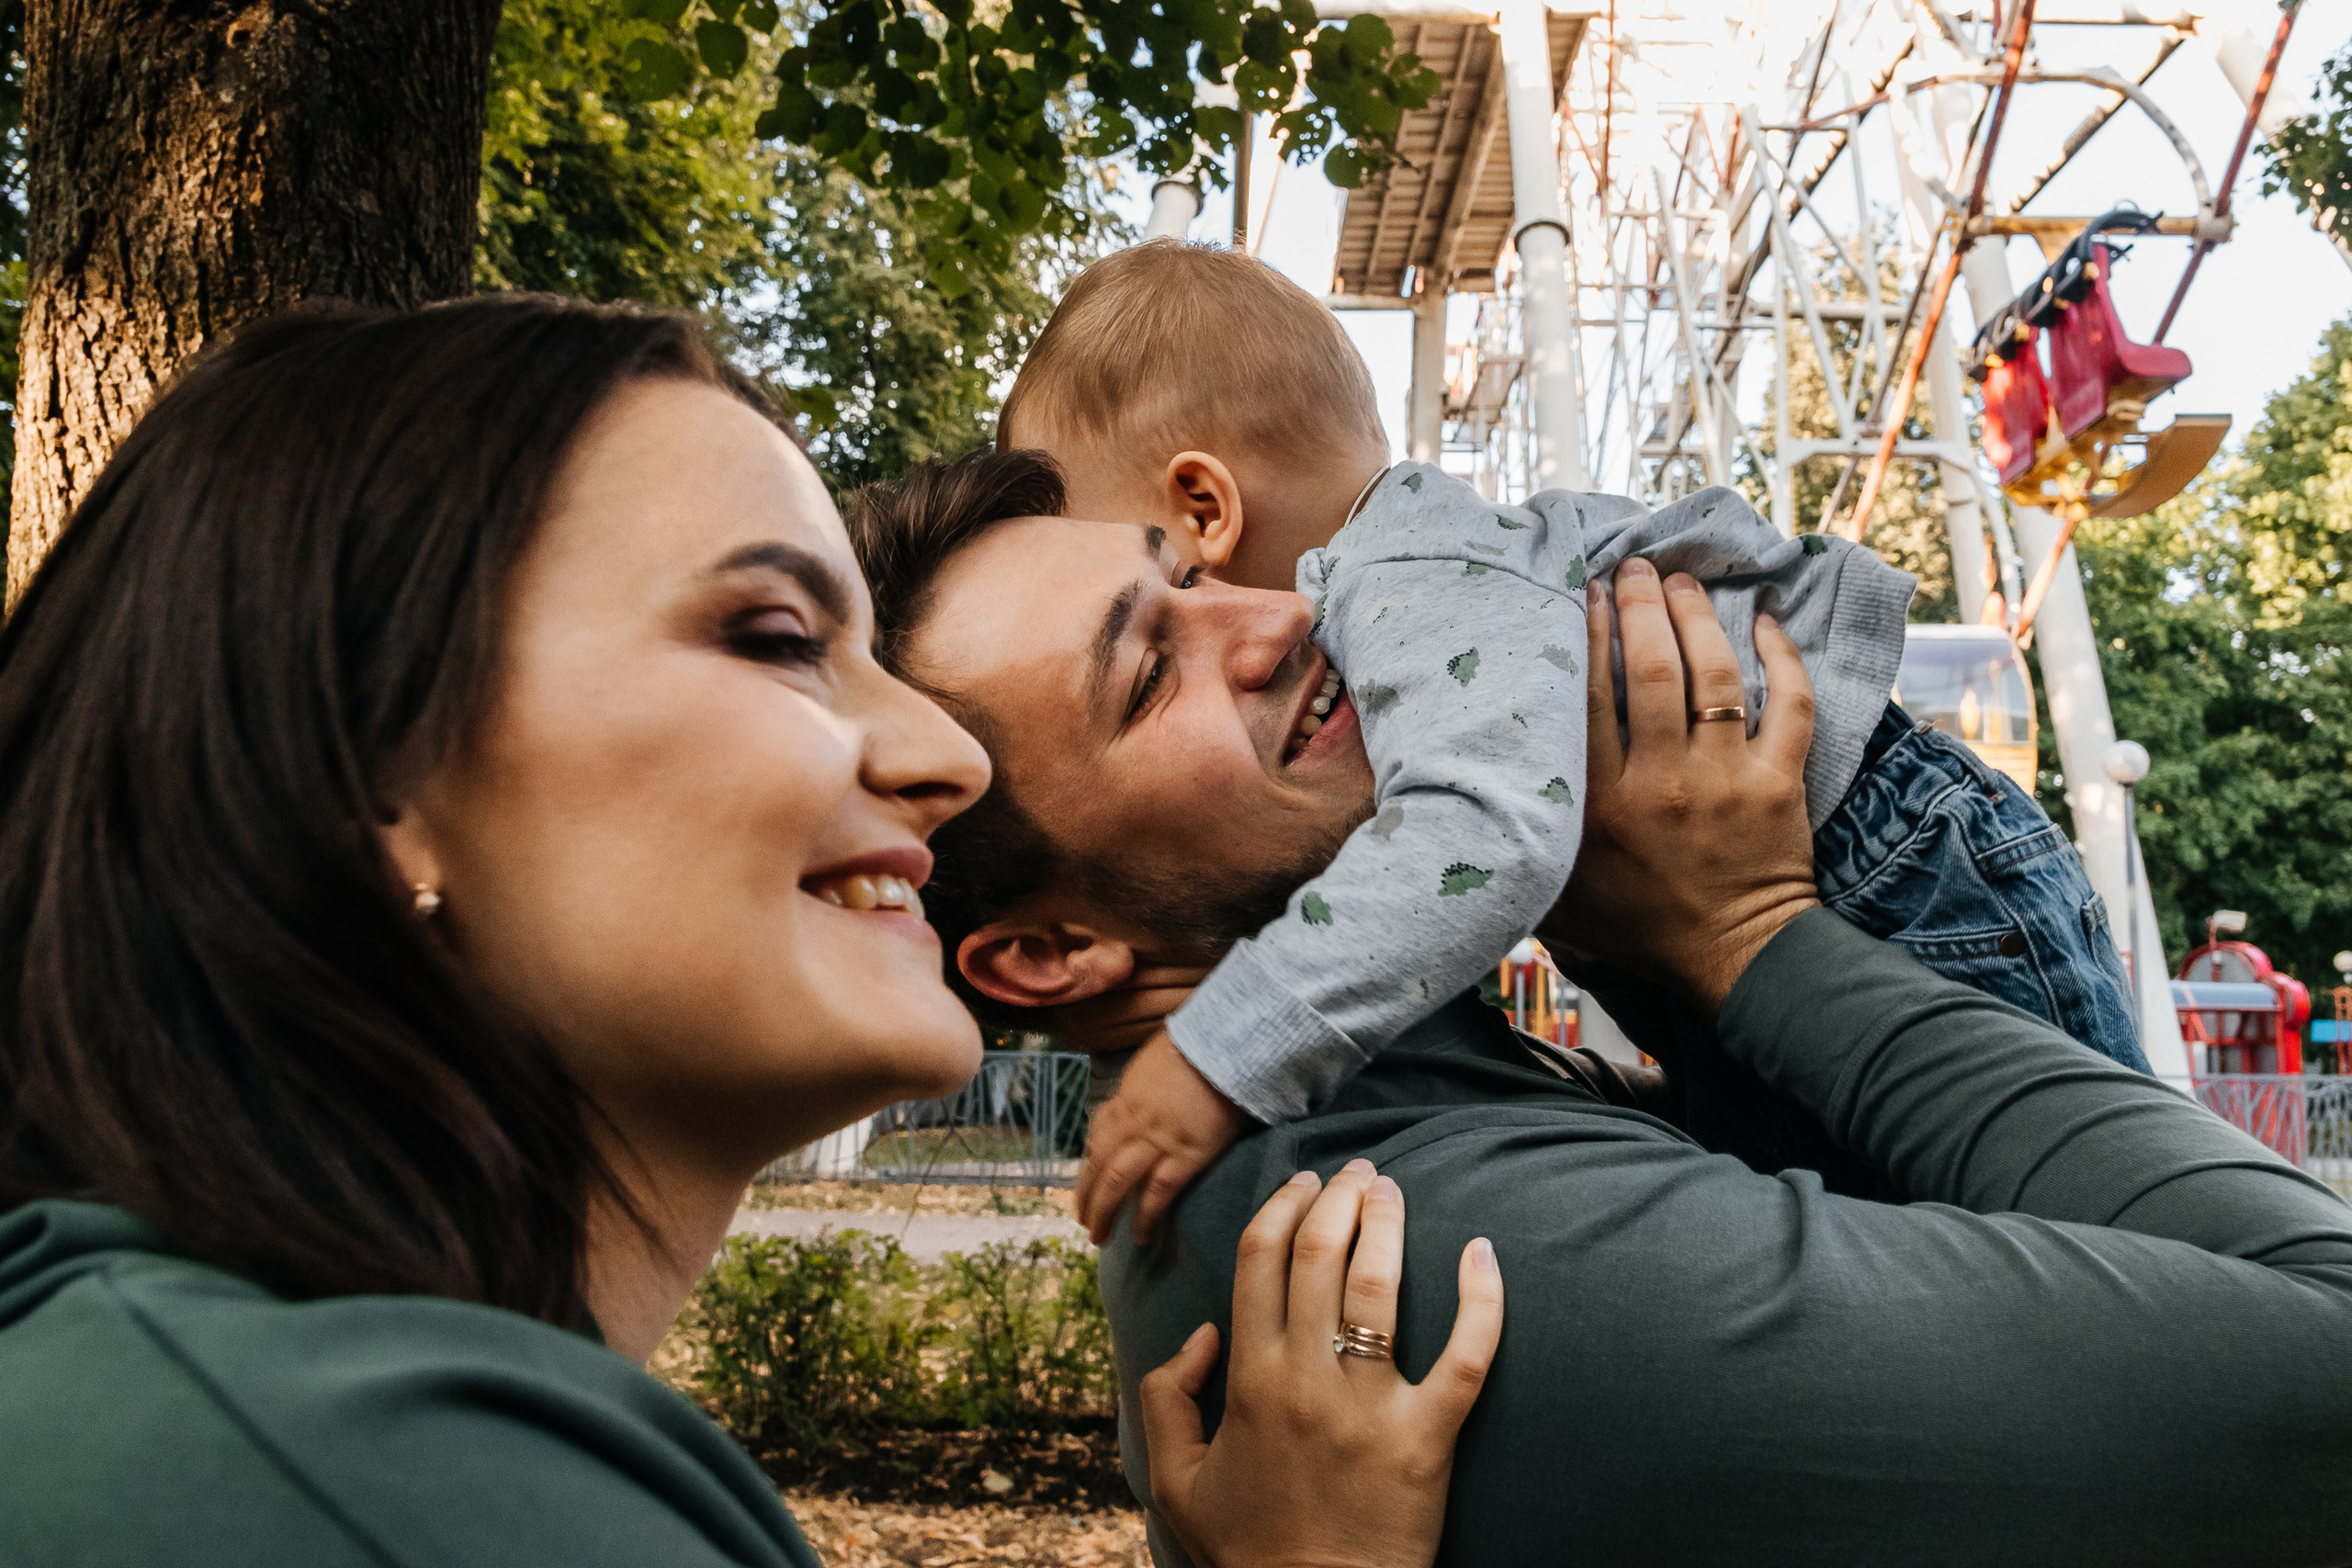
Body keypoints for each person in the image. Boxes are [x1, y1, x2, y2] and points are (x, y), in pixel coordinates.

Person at [0, 296, 1501, 1568]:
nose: (949, 756)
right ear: (366, 773)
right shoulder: (373, 1472)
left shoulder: (253, 1391)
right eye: (778, 638)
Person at [845, 446, 2352, 1566]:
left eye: (1186, 577)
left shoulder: (1387, 1091)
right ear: (1047, 954)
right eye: (1144, 673)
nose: (1271, 621)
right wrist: (1753, 938)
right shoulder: (1370, 1241)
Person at [992, 240, 2146, 1242]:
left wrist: (1226, 1050)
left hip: (1889, 882)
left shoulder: (1395, 583)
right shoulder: (1425, 562)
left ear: (1206, 508)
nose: (1206, 624)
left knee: (2112, 1246)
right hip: (1863, 879)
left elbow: (1485, 835)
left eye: (1164, 583)